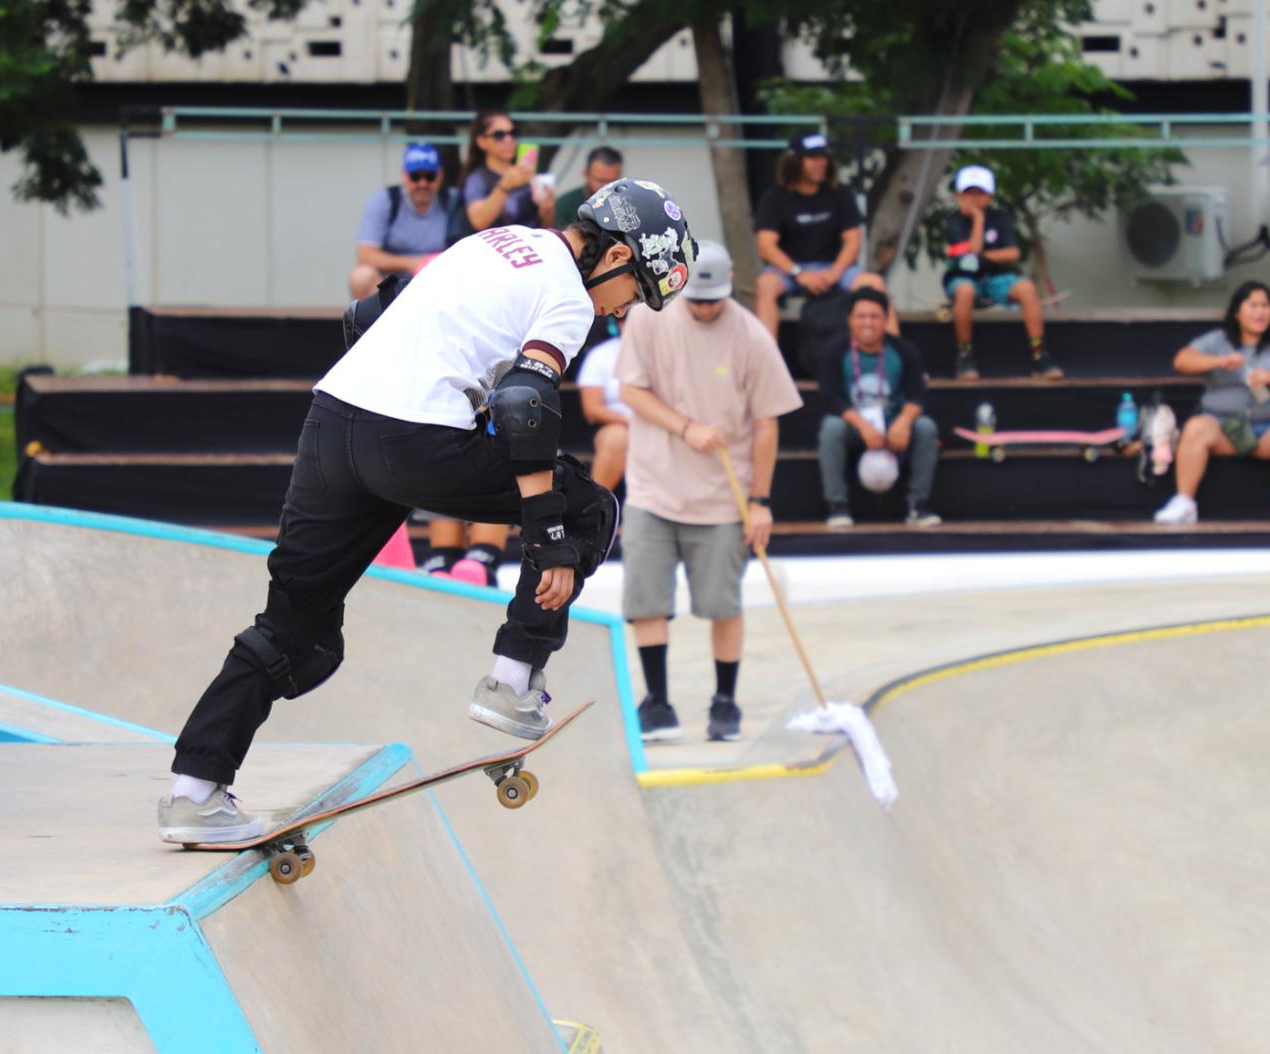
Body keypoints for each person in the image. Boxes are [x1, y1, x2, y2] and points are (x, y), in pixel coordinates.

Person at [156, 178, 696, 843]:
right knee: (588, 511)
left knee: (298, 633)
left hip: (332, 424)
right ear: (616, 257)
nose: (623, 313)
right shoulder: (567, 299)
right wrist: (547, 531)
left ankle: (195, 790)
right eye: (636, 294)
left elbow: (369, 313)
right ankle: (512, 678)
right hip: (413, 438)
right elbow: (524, 403)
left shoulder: (498, 241)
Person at [617, 240, 802, 744]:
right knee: (647, 599)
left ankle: (726, 701)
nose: (703, 308)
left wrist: (760, 501)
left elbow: (767, 423)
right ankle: (657, 701)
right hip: (654, 485)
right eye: (695, 299)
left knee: (724, 603)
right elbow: (631, 389)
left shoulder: (750, 337)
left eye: (713, 299)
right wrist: (684, 427)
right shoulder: (649, 317)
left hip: (724, 495)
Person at [1153, 281, 1270, 526]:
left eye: (1265, 306)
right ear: (1237, 312)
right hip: (1226, 429)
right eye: (1253, 305)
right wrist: (1220, 362)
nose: (1260, 312)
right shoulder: (1219, 340)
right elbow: (1182, 361)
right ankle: (1184, 502)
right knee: (1196, 427)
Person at [817, 289, 940, 530]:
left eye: (874, 316)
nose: (868, 323)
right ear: (850, 320)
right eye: (861, 316)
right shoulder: (834, 351)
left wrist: (903, 422)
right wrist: (863, 426)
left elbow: (918, 394)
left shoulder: (904, 350)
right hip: (854, 424)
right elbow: (830, 398)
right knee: (831, 428)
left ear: (885, 320)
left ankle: (919, 505)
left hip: (894, 425)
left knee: (925, 427)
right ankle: (837, 505)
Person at [753, 132, 891, 341]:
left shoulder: (840, 194)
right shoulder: (774, 198)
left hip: (834, 269)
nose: (821, 163)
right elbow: (766, 246)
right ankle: (765, 361)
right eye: (813, 158)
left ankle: (895, 356)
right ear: (794, 162)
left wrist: (834, 273)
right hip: (790, 270)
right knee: (765, 285)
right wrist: (800, 274)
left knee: (875, 284)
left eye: (824, 157)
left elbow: (853, 241)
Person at [943, 164, 1061, 380]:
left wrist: (983, 258)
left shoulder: (1000, 219)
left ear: (990, 196)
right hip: (963, 278)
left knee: (1026, 288)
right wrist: (978, 220)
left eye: (980, 193)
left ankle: (1039, 354)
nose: (974, 199)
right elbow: (972, 251)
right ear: (958, 195)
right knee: (966, 290)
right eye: (968, 193)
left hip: (995, 277)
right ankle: (965, 354)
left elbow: (1013, 253)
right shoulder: (954, 223)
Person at [348, 142, 465, 298]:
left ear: (441, 175)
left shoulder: (453, 200)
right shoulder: (386, 200)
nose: (423, 183)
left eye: (430, 177)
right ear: (404, 174)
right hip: (392, 283)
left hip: (441, 281)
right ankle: (375, 322)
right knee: (361, 276)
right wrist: (414, 263)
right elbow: (366, 254)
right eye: (415, 176)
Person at [461, 110, 555, 234]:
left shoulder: (528, 175)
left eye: (513, 133)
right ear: (482, 142)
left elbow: (546, 229)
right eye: (499, 135)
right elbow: (479, 222)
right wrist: (504, 187)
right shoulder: (477, 179)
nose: (509, 139)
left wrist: (547, 210)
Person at [575, 318, 631, 491]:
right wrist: (631, 421)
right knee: (617, 438)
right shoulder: (601, 355)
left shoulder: (666, 351)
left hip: (663, 425)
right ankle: (596, 505)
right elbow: (592, 409)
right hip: (618, 425)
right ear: (620, 325)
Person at [555, 146, 624, 229]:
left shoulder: (626, 204)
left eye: (612, 181)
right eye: (600, 181)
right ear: (586, 174)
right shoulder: (565, 205)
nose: (606, 187)